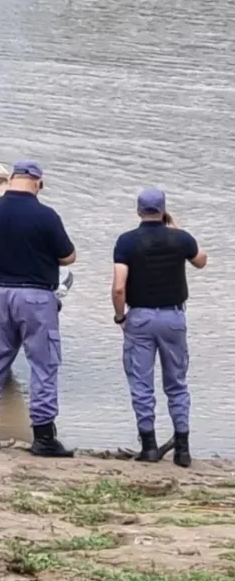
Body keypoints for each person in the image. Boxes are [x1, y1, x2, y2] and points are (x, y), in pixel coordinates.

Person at [0, 160, 77, 457]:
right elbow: (69, 257)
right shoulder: (46, 216)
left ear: (11, 179)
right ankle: (43, 437)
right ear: (37, 182)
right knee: (43, 364)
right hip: (36, 297)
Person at [112, 188, 208, 467]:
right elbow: (201, 261)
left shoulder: (126, 242)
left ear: (139, 211)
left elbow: (119, 287)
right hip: (174, 317)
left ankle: (150, 446)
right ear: (164, 210)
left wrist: (120, 317)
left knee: (141, 383)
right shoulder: (181, 239)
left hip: (140, 317)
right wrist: (176, 228)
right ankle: (182, 449)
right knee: (177, 383)